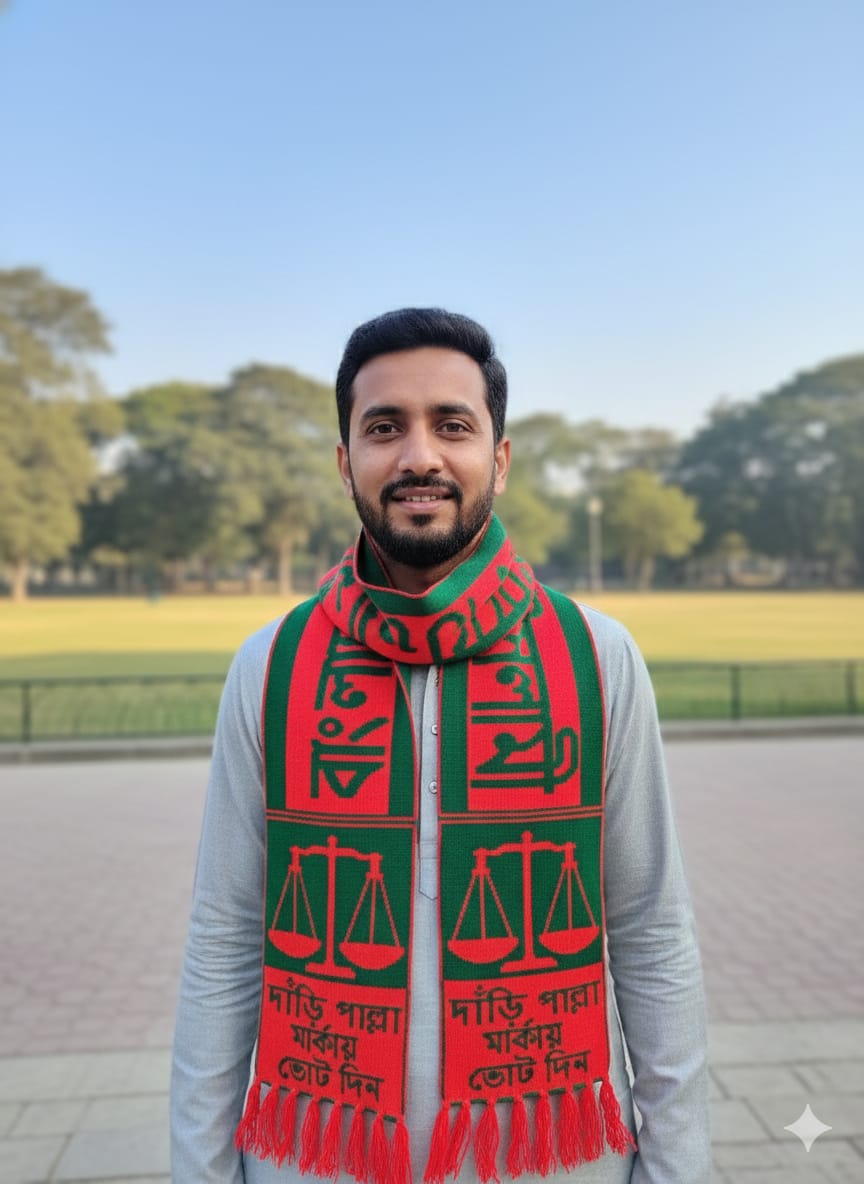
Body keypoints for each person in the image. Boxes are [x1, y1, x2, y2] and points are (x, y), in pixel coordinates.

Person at [170, 308, 710, 1184]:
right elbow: (225, 938)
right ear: (345, 461)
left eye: (452, 425)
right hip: (315, 1156)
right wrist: (200, 1169)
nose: (419, 455)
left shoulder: (594, 656)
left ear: (499, 457)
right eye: (384, 427)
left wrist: (679, 1168)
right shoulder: (272, 664)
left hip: (553, 1158)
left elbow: (652, 931)